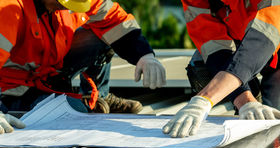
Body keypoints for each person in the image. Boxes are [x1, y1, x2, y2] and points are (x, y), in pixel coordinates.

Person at [163, 0, 280, 138]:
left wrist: (203, 99)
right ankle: (252, 96)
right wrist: (245, 101)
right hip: (242, 39)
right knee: (201, 64)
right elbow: (214, 49)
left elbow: (259, 44)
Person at [0, 0, 166, 134]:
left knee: (103, 33)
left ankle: (100, 97)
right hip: (15, 90)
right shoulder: (8, 8)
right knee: (76, 111)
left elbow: (115, 19)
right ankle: (84, 104)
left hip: (50, 71)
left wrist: (145, 56)